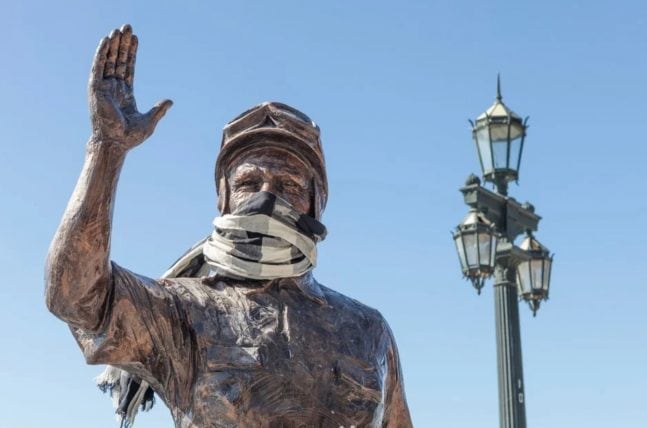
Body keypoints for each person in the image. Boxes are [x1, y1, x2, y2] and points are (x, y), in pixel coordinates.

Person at [45, 24, 413, 428]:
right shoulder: (185, 311)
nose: (266, 197)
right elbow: (76, 296)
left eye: (287, 185)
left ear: (316, 203)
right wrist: (107, 148)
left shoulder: (367, 330)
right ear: (224, 200)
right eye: (249, 183)